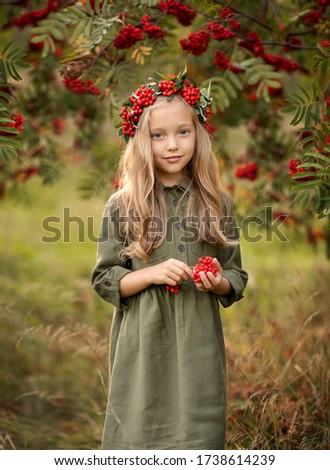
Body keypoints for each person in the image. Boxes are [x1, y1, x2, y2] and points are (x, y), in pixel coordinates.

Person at [91, 70, 248, 450]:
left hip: (197, 336)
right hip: (143, 339)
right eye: (158, 135)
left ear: (199, 135)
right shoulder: (124, 204)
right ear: (141, 141)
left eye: (183, 132)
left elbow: (235, 274)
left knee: (198, 429)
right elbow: (105, 279)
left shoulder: (215, 202)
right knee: (140, 428)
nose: (172, 145)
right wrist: (150, 273)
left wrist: (218, 281)